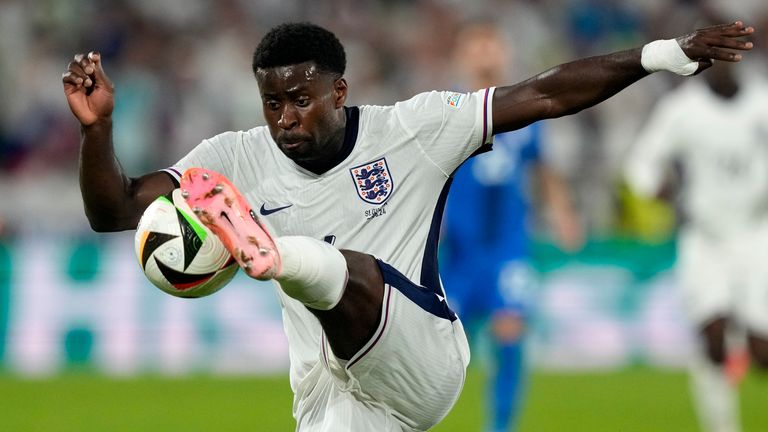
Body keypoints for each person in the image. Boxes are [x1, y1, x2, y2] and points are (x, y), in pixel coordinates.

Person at [62, 20, 753, 431]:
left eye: (299, 100)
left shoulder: (413, 129)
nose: (283, 120)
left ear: (339, 90)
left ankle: (278, 255)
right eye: (271, 103)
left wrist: (665, 54)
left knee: (347, 268)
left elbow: (544, 92)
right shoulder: (232, 158)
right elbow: (116, 213)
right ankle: (286, 259)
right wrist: (99, 130)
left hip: (421, 353)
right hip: (332, 396)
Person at [440, 22, 582, 432]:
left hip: (508, 249)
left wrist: (563, 214)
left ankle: (500, 427)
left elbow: (545, 170)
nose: (485, 53)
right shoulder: (446, 111)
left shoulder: (526, 110)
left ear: (503, 53)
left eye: (491, 45)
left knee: (510, 332)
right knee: (443, 349)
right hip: (459, 253)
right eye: (477, 45)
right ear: (463, 55)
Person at [624, 56, 768, 432]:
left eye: (731, 55)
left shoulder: (763, 102)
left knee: (761, 352)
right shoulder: (681, 110)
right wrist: (658, 188)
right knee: (714, 335)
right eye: (714, 57)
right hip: (705, 237)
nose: (722, 65)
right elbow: (639, 164)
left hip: (757, 233)